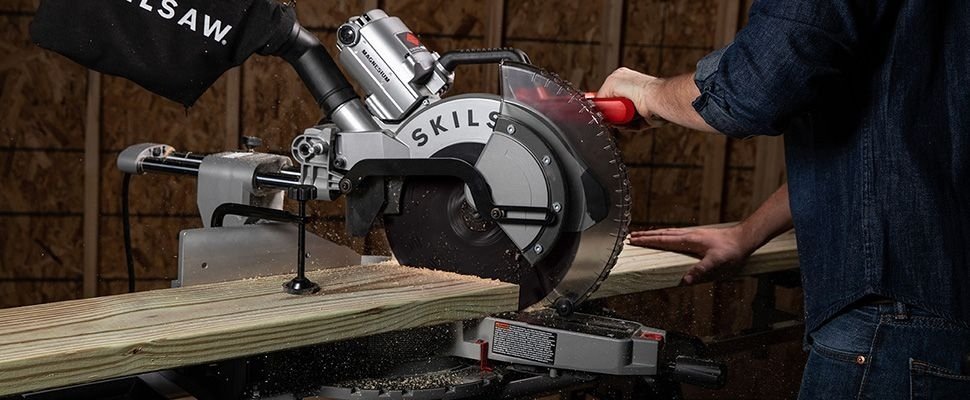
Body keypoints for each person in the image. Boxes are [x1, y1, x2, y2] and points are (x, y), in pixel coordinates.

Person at [597, 1, 970, 398]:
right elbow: (896, 157)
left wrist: (648, 93)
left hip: (890, 321)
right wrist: (746, 234)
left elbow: (755, 86)